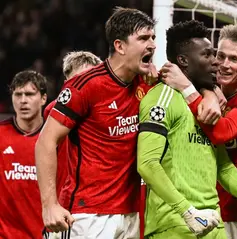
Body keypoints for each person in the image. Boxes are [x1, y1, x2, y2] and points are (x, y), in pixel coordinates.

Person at [137, 20, 237, 239]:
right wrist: (207, 90)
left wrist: (193, 90)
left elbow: (221, 136)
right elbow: (147, 163)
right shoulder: (190, 95)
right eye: (218, 55)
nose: (221, 64)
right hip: (203, 216)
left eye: (234, 59)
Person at [35, 7, 156, 238]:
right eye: (143, 38)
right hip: (88, 214)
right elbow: (45, 142)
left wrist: (210, 92)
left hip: (130, 213)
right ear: (119, 46)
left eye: (153, 38)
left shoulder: (147, 82)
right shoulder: (86, 86)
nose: (152, 45)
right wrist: (49, 205)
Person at [42, 51, 102, 238]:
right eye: (78, 82)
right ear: (67, 84)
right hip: (69, 207)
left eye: (89, 80)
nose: (84, 89)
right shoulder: (54, 110)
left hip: (99, 204)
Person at [0, 70, 47, 238]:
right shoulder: (1, 135)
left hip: (45, 233)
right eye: (17, 94)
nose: (23, 101)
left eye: (29, 94)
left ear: (43, 98)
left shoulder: (56, 138)